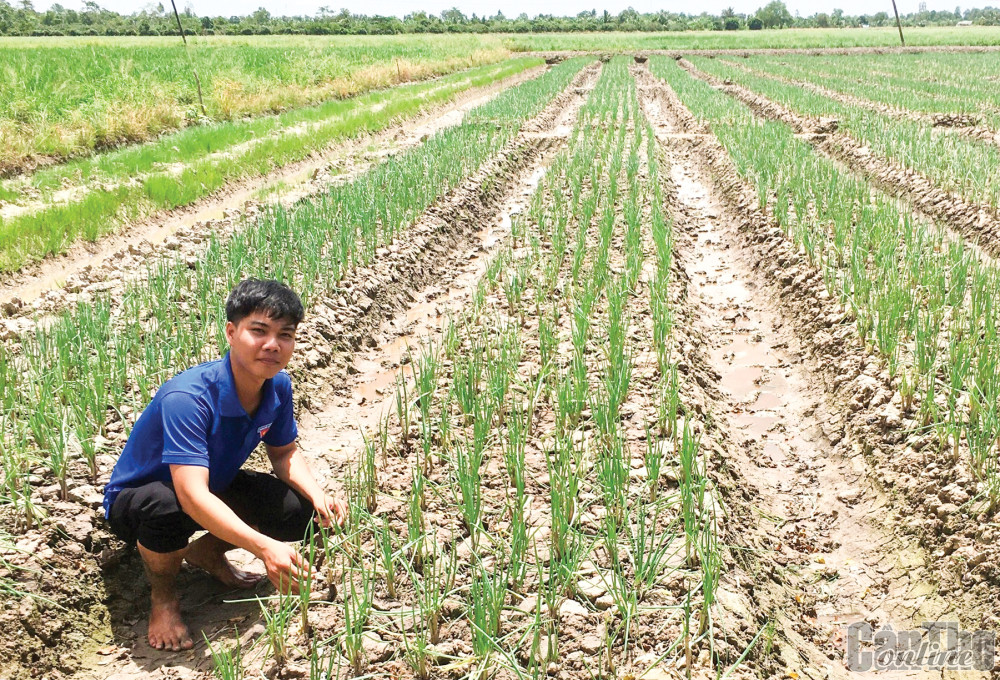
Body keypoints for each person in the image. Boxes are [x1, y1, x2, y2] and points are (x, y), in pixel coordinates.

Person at [102, 279, 347, 652]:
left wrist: (318, 495)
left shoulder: (277, 386)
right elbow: (190, 494)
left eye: (285, 334)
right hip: (143, 500)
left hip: (210, 483)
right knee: (167, 508)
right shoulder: (189, 397)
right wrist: (265, 548)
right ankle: (164, 599)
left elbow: (283, 454)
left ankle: (206, 552)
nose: (273, 345)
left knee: (300, 511)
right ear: (231, 333)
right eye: (259, 331)